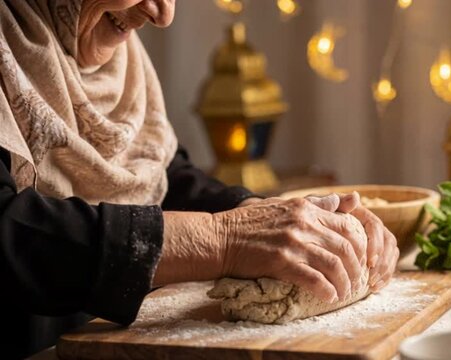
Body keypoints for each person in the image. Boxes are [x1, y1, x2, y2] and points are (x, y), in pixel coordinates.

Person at [0, 0, 399, 358]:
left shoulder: (115, 59)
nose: (162, 13)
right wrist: (223, 239)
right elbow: (10, 232)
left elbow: (163, 178)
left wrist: (262, 214)